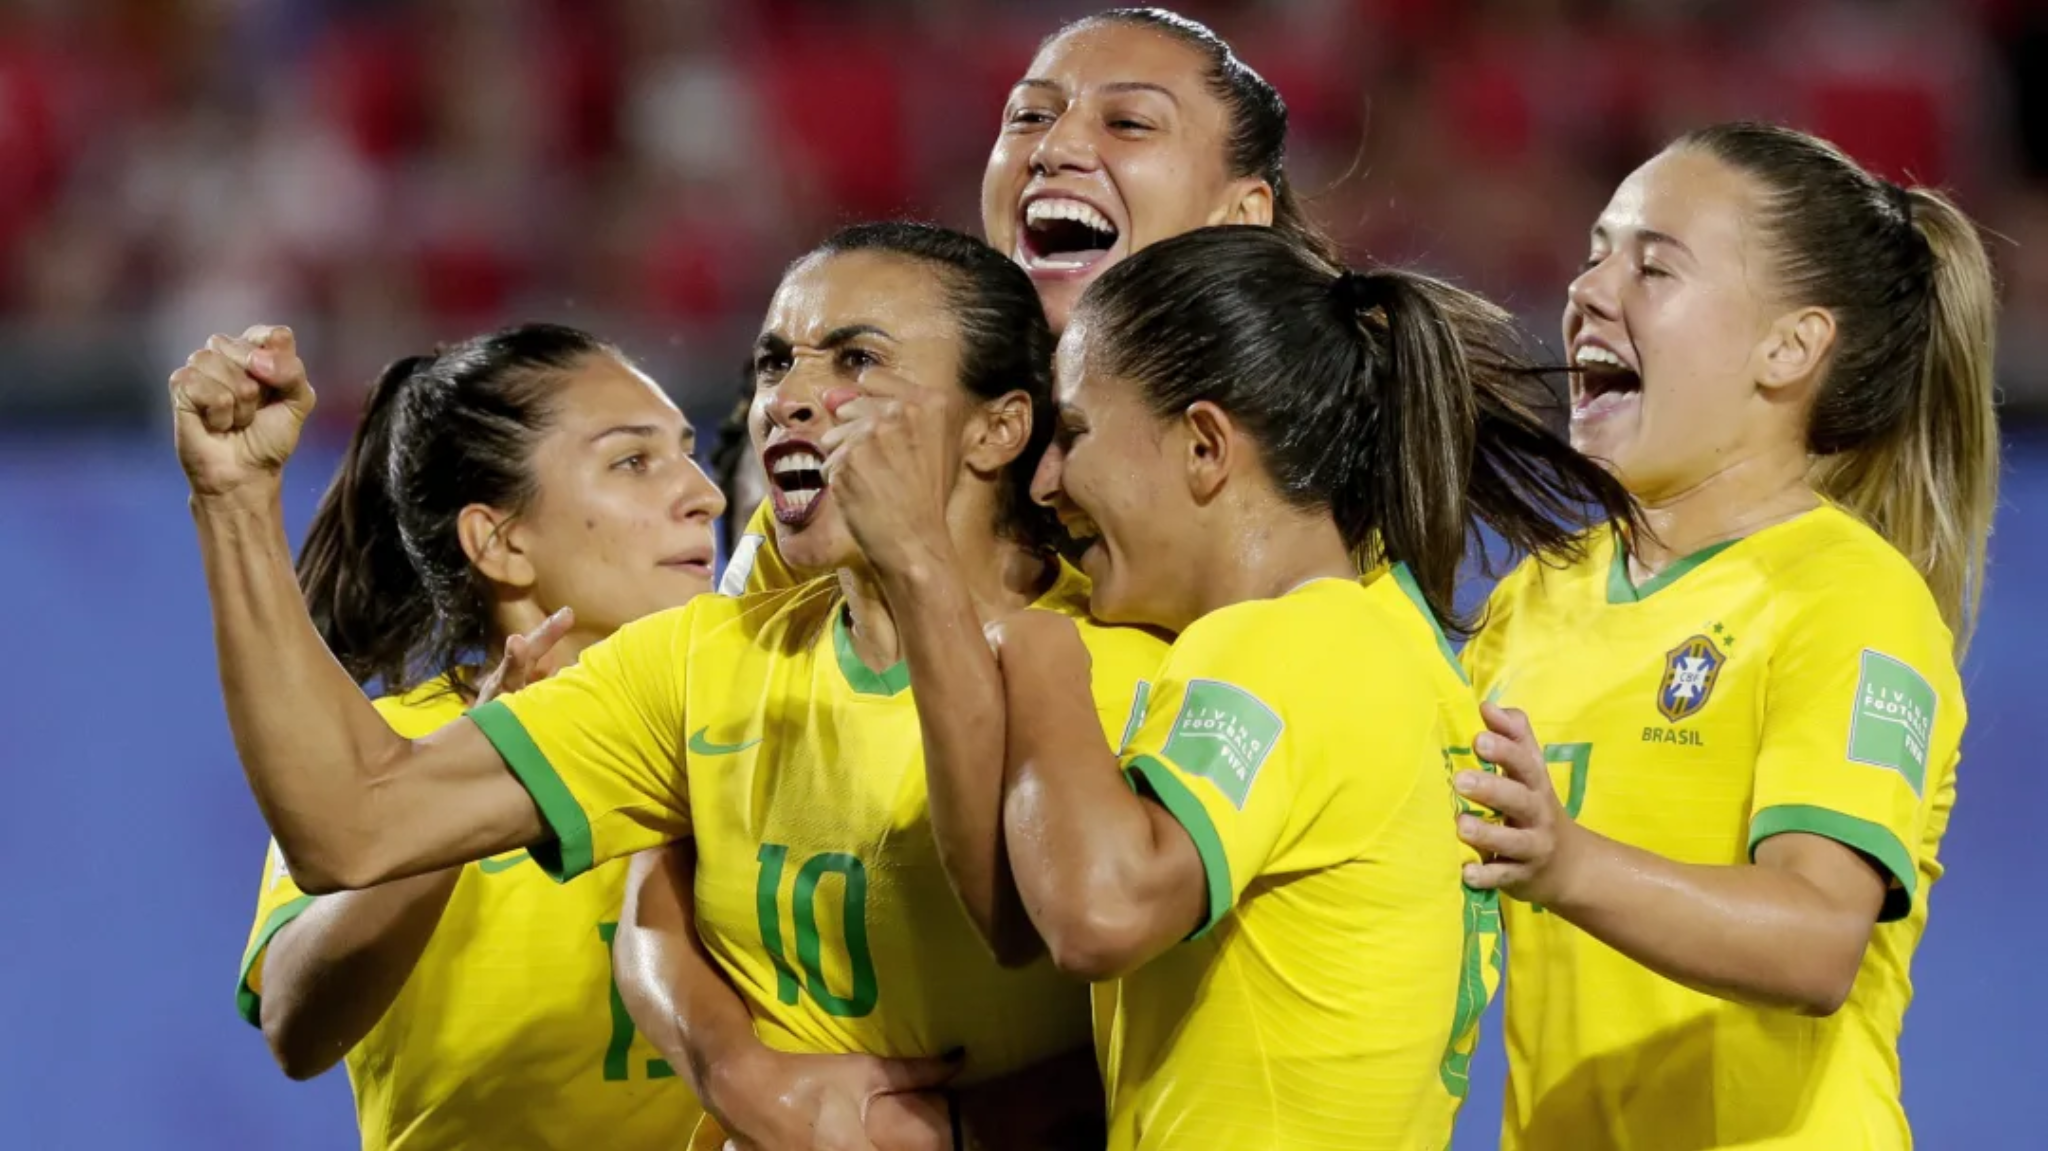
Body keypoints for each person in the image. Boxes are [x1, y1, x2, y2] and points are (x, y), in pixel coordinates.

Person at [173, 223, 1168, 1150]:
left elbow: (1119, 965)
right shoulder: (699, 664)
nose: (790, 395)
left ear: (998, 430)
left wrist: (944, 1121)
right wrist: (233, 502)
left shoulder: (1129, 655)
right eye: (777, 360)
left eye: (855, 360)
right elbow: (349, 831)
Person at [882, 224, 1635, 1149]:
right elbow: (1022, 914)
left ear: (1204, 445)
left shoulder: (1283, 641)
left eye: (1073, 433)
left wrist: (1042, 660)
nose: (1044, 482)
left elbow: (1097, 913)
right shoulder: (1386, 634)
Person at [1455, 121, 1998, 1149]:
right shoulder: (1535, 596)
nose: (1586, 289)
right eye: (1591, 252)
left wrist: (1562, 859)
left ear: (1787, 347)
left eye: (1651, 265)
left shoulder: (1848, 599)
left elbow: (1813, 941)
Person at [228, 323, 722, 1149]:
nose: (703, 492)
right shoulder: (388, 751)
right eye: (634, 461)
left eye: (687, 452)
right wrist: (459, 791)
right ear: (501, 540)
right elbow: (297, 1023)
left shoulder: (753, 720)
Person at [718, 5, 1334, 599]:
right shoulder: (865, 435)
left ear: (1240, 216)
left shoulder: (1321, 447)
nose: (1054, 147)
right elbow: (726, 665)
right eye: (1029, 117)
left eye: (1128, 123)